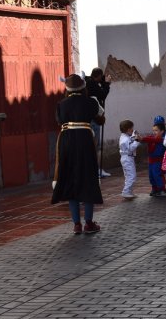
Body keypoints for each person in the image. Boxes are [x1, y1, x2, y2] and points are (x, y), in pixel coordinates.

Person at [51, 74, 102, 234]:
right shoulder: (91, 102)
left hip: (66, 141)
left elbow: (59, 121)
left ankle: (76, 224)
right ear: (83, 87)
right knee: (87, 178)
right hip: (85, 141)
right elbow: (101, 119)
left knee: (69, 177)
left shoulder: (61, 104)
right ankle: (88, 223)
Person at [85, 67, 112, 178]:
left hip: (90, 119)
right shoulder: (92, 84)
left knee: (93, 146)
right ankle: (96, 170)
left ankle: (94, 170)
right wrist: (107, 84)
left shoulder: (88, 82)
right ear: (99, 76)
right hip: (94, 119)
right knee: (96, 146)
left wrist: (103, 82)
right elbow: (102, 95)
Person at [138, 117, 166, 196]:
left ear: (162, 131)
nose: (154, 132)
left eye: (156, 130)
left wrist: (143, 138)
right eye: (153, 130)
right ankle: (154, 188)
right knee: (151, 175)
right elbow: (150, 139)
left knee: (157, 174)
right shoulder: (152, 138)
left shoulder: (161, 139)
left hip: (158, 160)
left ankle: (162, 189)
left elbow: (152, 140)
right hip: (151, 160)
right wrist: (141, 139)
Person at [118, 119, 140, 200]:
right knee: (132, 176)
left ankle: (129, 191)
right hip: (127, 158)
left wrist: (134, 137)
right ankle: (126, 191)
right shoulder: (125, 139)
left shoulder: (125, 137)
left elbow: (130, 140)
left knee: (128, 175)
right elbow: (131, 148)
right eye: (132, 129)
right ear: (128, 129)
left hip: (127, 158)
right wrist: (137, 140)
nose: (133, 130)